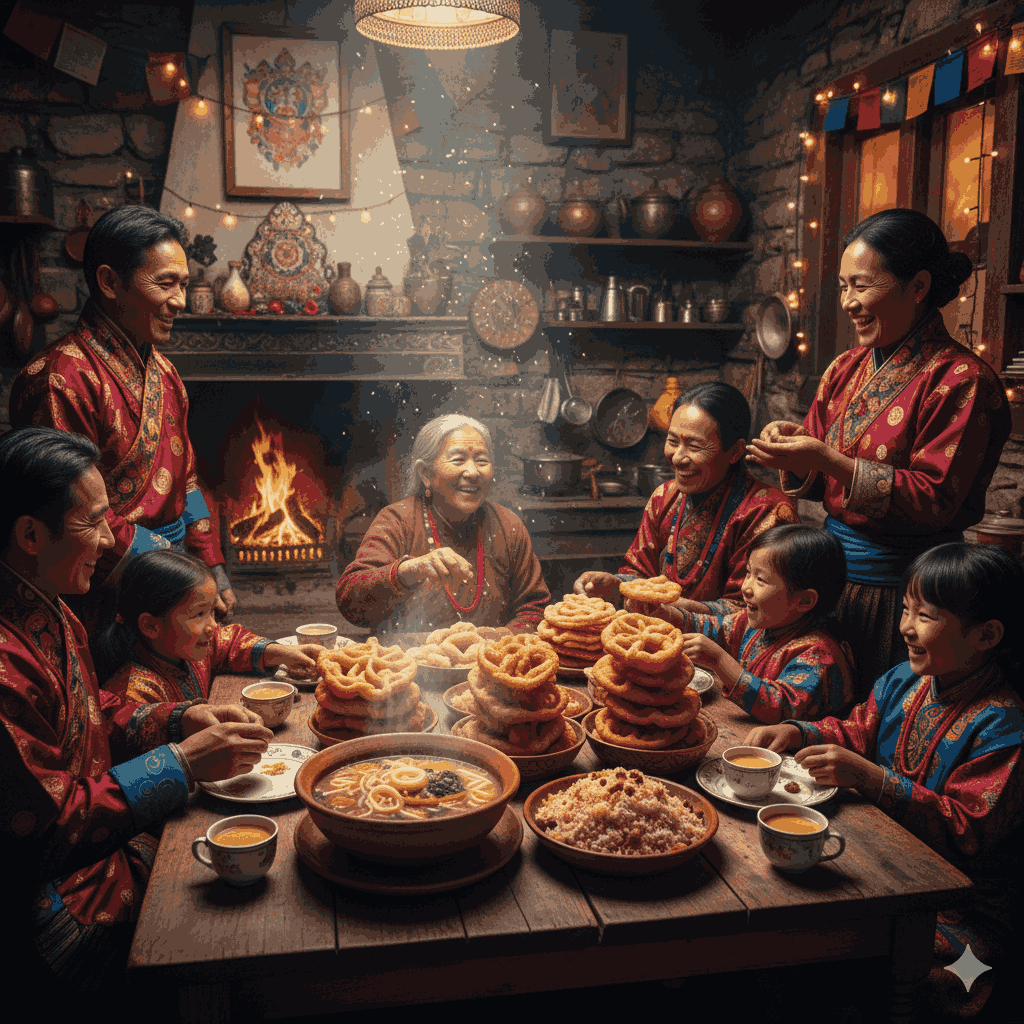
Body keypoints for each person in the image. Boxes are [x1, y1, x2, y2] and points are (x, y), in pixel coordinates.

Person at [0, 426, 274, 998]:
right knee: (242, 918)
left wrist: (176, 722)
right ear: (29, 532)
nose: (110, 542)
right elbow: (50, 831)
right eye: (93, 522)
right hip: (59, 899)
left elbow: (89, 712)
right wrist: (178, 763)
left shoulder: (49, 609)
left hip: (99, 845)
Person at [745, 543, 1024, 1019]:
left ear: (987, 634)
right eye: (905, 610)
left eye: (926, 616)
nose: (907, 628)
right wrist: (799, 730)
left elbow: (969, 831)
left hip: (966, 911)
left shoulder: (1004, 727)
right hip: (886, 864)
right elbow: (856, 731)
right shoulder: (902, 680)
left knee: (860, 963)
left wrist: (875, 781)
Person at [746, 209, 1010, 696]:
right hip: (830, 584)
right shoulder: (844, 368)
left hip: (906, 597)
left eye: (862, 286)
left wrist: (828, 460)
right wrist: (796, 452)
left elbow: (936, 499)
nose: (848, 302)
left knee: (875, 723)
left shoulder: (961, 381)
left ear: (919, 286)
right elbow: (818, 465)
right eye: (844, 286)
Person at [8, 204, 236, 629]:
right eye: (166, 284)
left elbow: (185, 480)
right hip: (98, 594)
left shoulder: (166, 375)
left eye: (184, 285)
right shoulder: (60, 379)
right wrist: (183, 576)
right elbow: (71, 517)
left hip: (169, 585)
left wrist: (211, 565)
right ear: (110, 281)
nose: (180, 302)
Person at [574, 381, 799, 614]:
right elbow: (640, 575)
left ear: (735, 452)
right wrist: (616, 586)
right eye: (672, 441)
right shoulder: (665, 497)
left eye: (694, 446)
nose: (677, 457)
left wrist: (671, 611)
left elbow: (752, 612)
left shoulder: (768, 513)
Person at [336, 414, 549, 633]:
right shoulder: (397, 520)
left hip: (491, 663)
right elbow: (350, 602)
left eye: (482, 460)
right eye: (457, 460)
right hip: (406, 664)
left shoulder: (508, 524)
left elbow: (534, 609)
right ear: (425, 474)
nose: (473, 472)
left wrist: (497, 643)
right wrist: (409, 569)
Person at [645, 524, 855, 723]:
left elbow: (780, 707)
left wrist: (719, 661)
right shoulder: (759, 622)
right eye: (748, 573)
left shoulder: (820, 655)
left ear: (804, 600)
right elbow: (713, 628)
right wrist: (667, 614)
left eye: (760, 580)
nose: (746, 587)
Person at [97, 549, 321, 704]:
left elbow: (228, 643)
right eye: (199, 614)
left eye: (212, 611)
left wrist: (284, 653)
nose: (213, 625)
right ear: (150, 625)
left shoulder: (184, 649)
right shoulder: (131, 695)